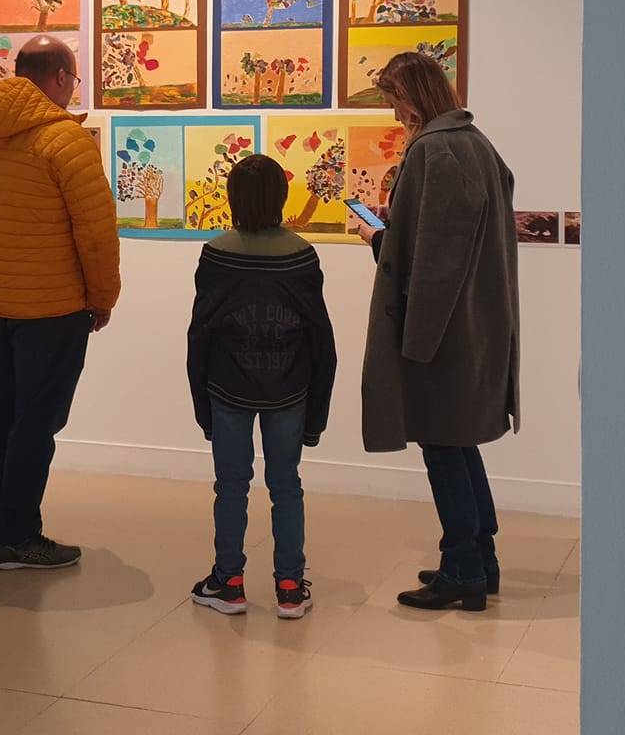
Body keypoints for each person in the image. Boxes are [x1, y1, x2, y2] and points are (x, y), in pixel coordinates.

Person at [349, 51, 520, 612]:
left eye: (396, 99)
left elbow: (438, 261)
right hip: (473, 326)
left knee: (444, 448)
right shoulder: (475, 144)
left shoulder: (436, 150)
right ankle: (479, 560)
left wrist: (380, 242)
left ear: (416, 93)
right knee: (458, 443)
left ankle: (463, 571)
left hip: (444, 333)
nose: (395, 113)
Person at [0, 37, 120, 570]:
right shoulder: (65, 142)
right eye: (72, 80)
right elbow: (95, 234)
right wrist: (102, 297)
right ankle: (18, 535)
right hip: (52, 309)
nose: (73, 90)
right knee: (35, 421)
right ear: (59, 77)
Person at [185, 154, 336, 620]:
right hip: (290, 389)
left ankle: (228, 583)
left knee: (231, 485)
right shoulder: (301, 255)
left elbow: (200, 333)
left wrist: (202, 407)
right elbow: (320, 338)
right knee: (286, 484)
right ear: (280, 198)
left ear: (233, 199)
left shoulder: (216, 253)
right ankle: (290, 587)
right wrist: (317, 416)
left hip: (226, 387)